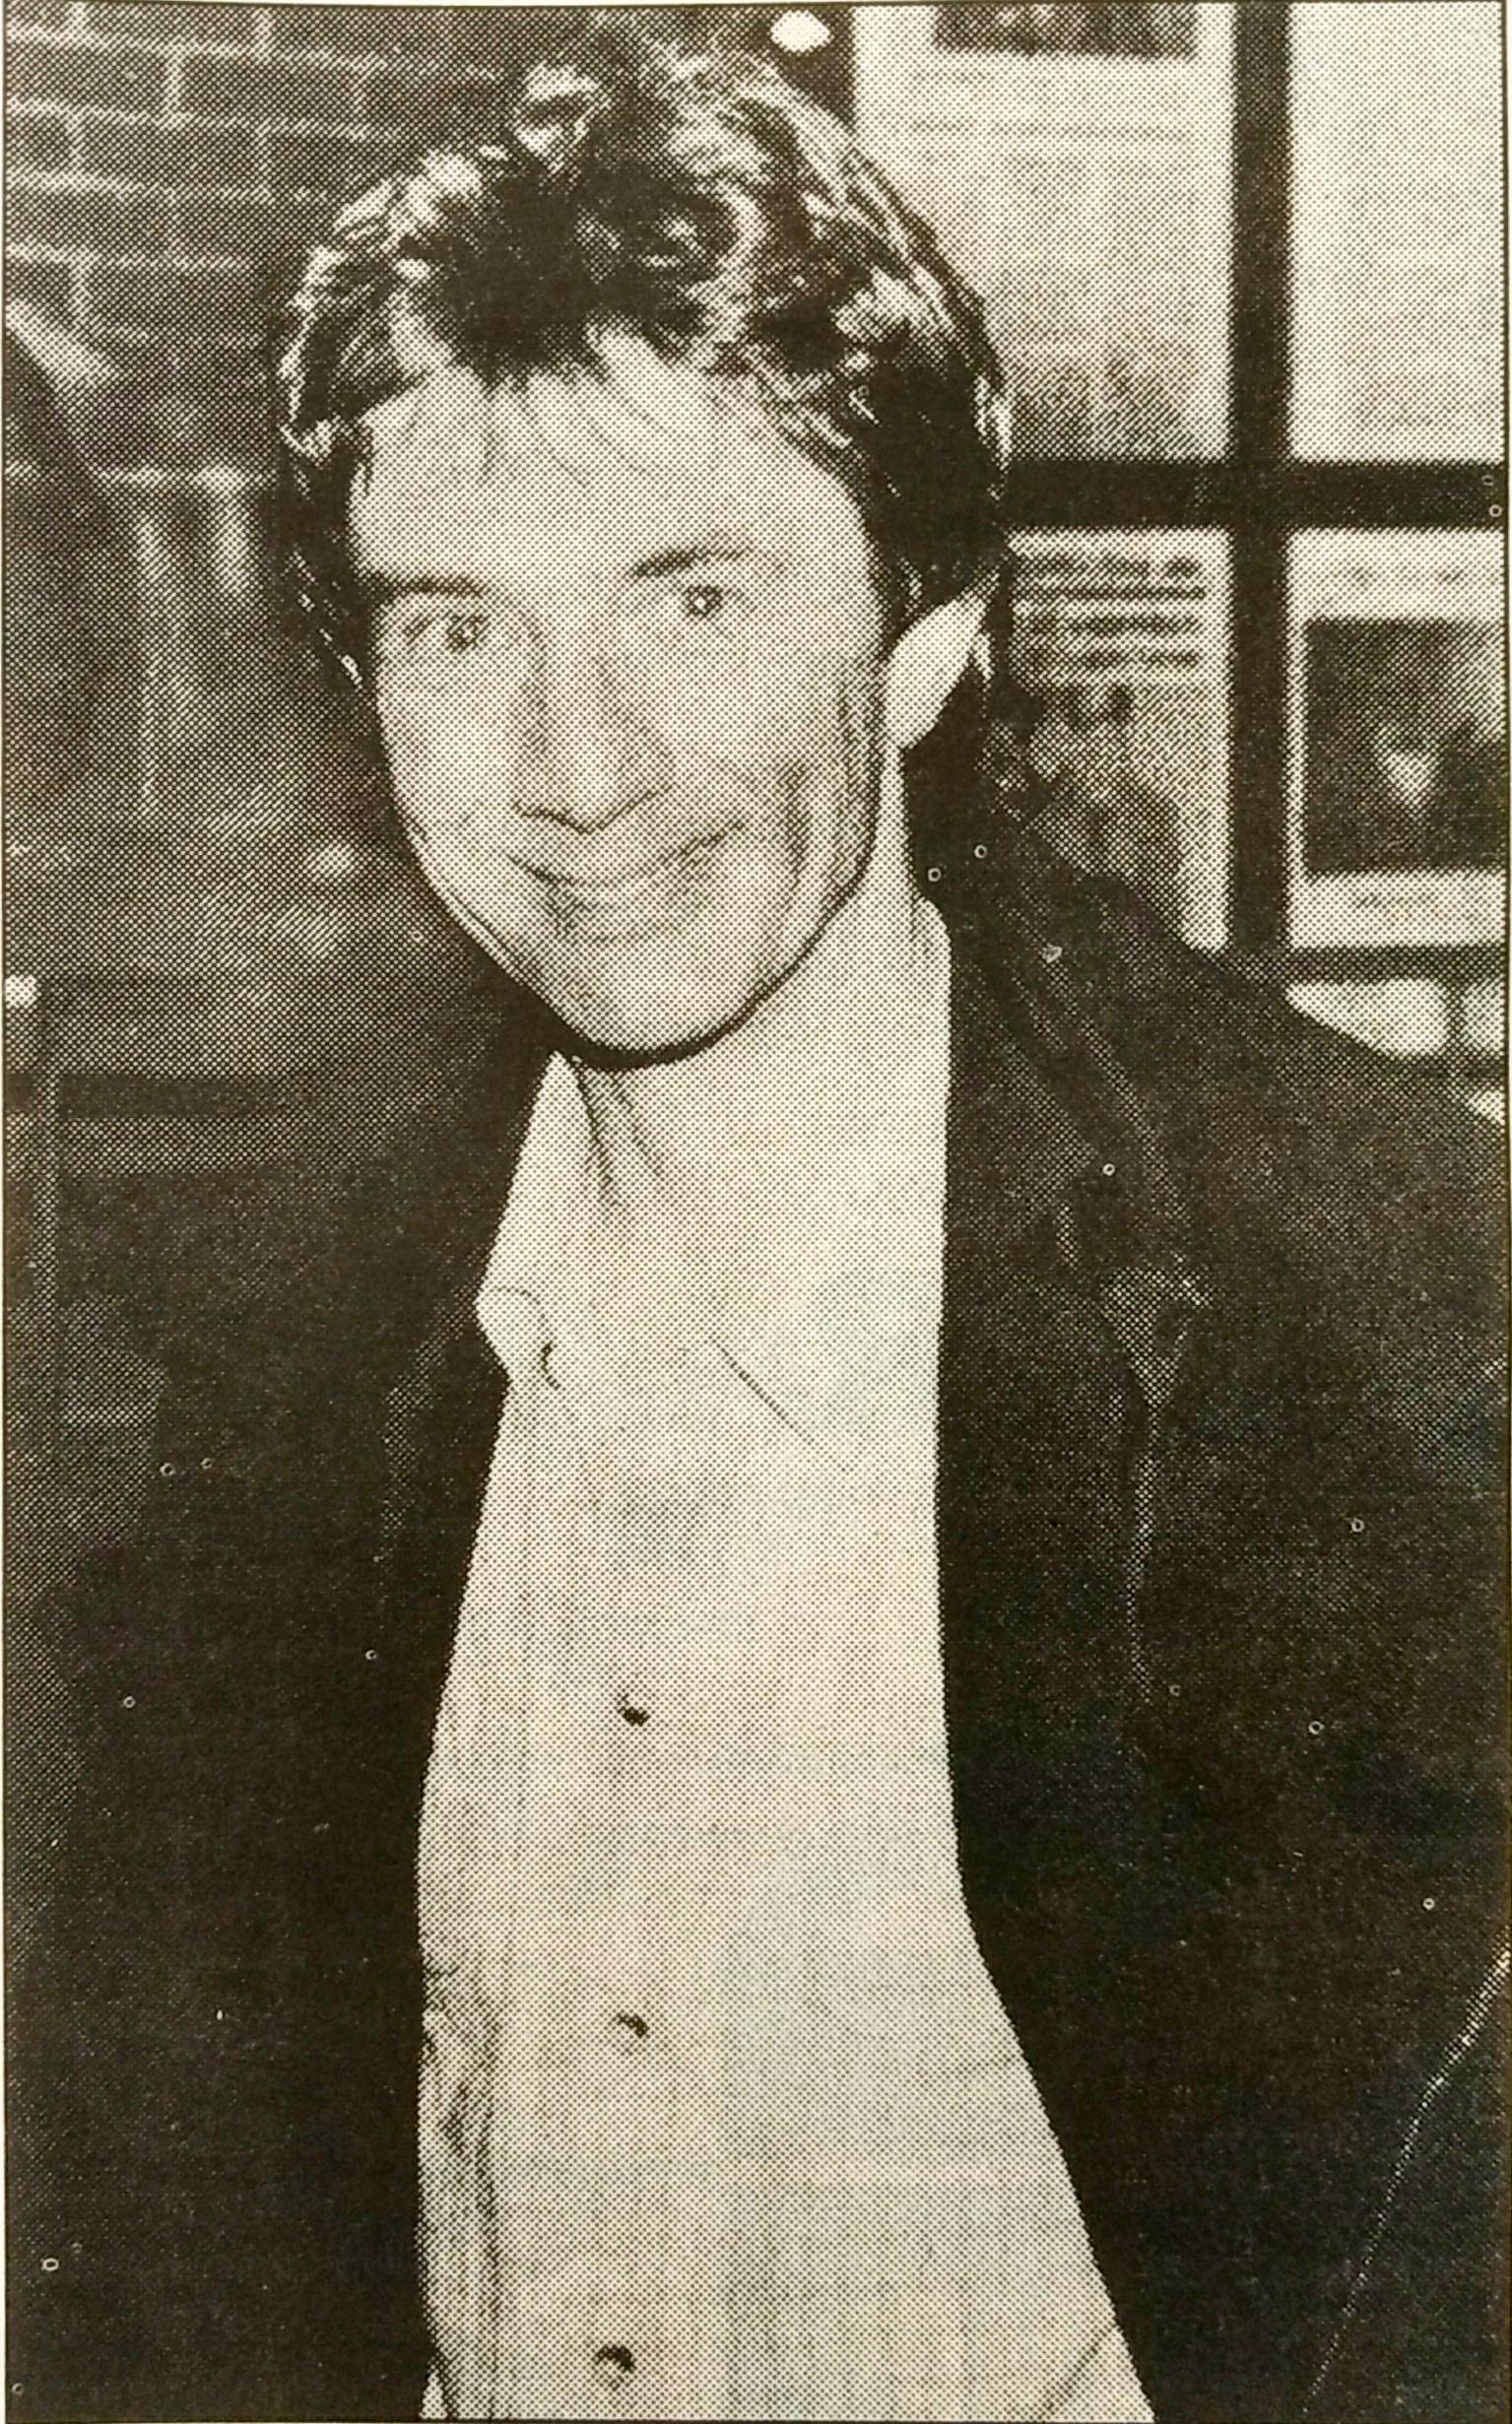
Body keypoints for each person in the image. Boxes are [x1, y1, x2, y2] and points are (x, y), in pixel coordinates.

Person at [11, 22, 1505, 2424]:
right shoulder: (303, 1349)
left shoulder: (1350, 1333)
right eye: (458, 624)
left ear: (925, 631)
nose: (576, 768)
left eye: (692, 599)